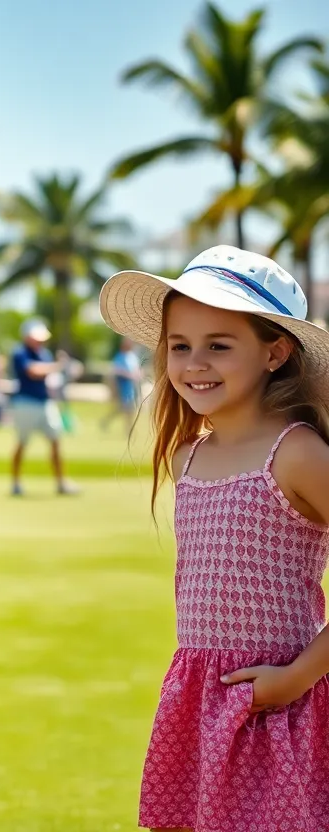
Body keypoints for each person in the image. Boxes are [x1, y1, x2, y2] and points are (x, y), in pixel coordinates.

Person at [99, 245, 329, 832]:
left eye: (218, 345)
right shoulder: (188, 457)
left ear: (275, 352)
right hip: (200, 700)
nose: (194, 363)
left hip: (281, 701)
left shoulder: (297, 453)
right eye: (181, 346)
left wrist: (297, 677)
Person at [9, 317, 78, 496]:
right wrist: (59, 365)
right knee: (22, 443)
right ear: (26, 337)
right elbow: (33, 371)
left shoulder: (44, 354)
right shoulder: (19, 353)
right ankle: (16, 483)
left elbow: (48, 376)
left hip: (45, 402)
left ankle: (61, 483)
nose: (40, 341)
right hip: (25, 403)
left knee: (55, 441)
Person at [100, 336, 143, 434]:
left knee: (125, 409)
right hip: (123, 387)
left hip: (132, 387)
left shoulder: (132, 356)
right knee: (126, 409)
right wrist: (129, 375)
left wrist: (139, 374)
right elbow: (116, 370)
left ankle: (108, 422)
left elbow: (137, 369)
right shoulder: (120, 357)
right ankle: (128, 429)